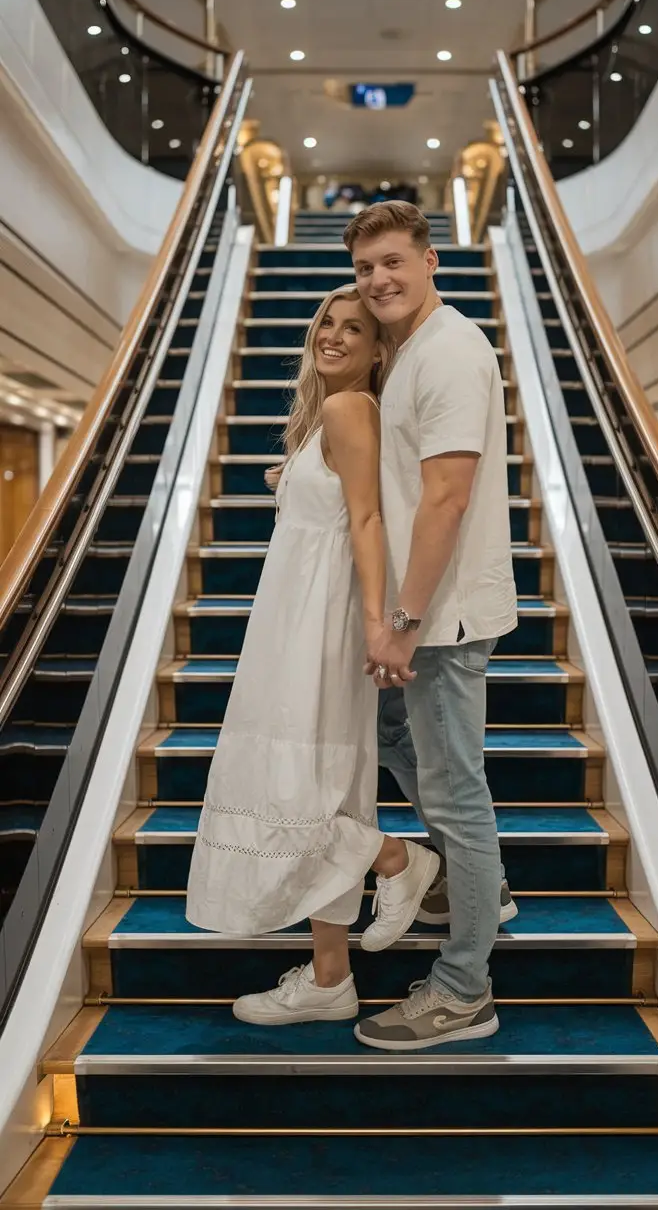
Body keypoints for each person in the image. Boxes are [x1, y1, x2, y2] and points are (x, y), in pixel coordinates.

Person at [185, 285, 441, 1024]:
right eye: (325, 322)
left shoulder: (346, 407)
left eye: (353, 327)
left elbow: (367, 520)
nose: (332, 335)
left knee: (294, 781)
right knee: (324, 780)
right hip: (297, 612)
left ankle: (395, 856)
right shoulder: (328, 417)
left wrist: (374, 624)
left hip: (319, 622)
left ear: (377, 347)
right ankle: (332, 977)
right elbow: (341, 503)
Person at [343, 201, 518, 1052]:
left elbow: (445, 498)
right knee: (394, 740)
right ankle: (484, 888)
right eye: (366, 267)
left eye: (392, 262)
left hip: (440, 619)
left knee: (455, 791)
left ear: (430, 261)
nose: (378, 279)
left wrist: (402, 622)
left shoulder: (449, 350)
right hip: (430, 613)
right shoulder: (411, 352)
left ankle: (463, 990)